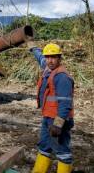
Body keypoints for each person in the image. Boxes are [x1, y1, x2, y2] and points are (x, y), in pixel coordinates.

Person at [28, 42, 74, 173]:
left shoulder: (62, 77)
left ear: (59, 58)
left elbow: (65, 104)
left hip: (59, 119)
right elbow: (40, 58)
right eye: (48, 57)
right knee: (44, 145)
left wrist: (58, 125)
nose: (50, 60)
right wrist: (33, 48)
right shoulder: (48, 67)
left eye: (53, 57)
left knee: (62, 150)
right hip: (48, 117)